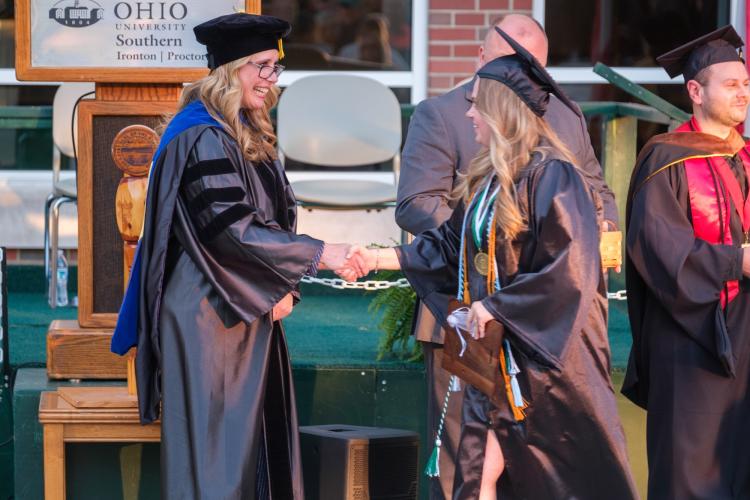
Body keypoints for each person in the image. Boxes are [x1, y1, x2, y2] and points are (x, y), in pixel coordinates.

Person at [348, 39, 637, 500]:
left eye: (476, 105)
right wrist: (376, 258)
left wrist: (497, 307)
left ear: (501, 111)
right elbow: (447, 245)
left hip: (550, 366)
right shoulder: (491, 183)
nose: (468, 115)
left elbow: (571, 270)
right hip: (500, 358)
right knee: (480, 471)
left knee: (546, 480)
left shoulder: (555, 177)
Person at [110, 13, 364, 499]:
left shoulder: (238, 130)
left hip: (239, 303)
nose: (271, 79)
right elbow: (231, 231)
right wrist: (321, 254)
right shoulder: (202, 135)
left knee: (246, 454)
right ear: (231, 69)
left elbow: (267, 221)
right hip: (209, 313)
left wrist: (282, 286)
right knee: (217, 460)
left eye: (275, 68)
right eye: (262, 66)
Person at [623, 25, 750, 499]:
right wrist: (736, 261)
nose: (743, 93)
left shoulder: (746, 157)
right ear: (695, 91)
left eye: (746, 83)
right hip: (691, 345)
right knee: (690, 475)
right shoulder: (664, 162)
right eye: (731, 84)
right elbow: (662, 252)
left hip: (745, 339)